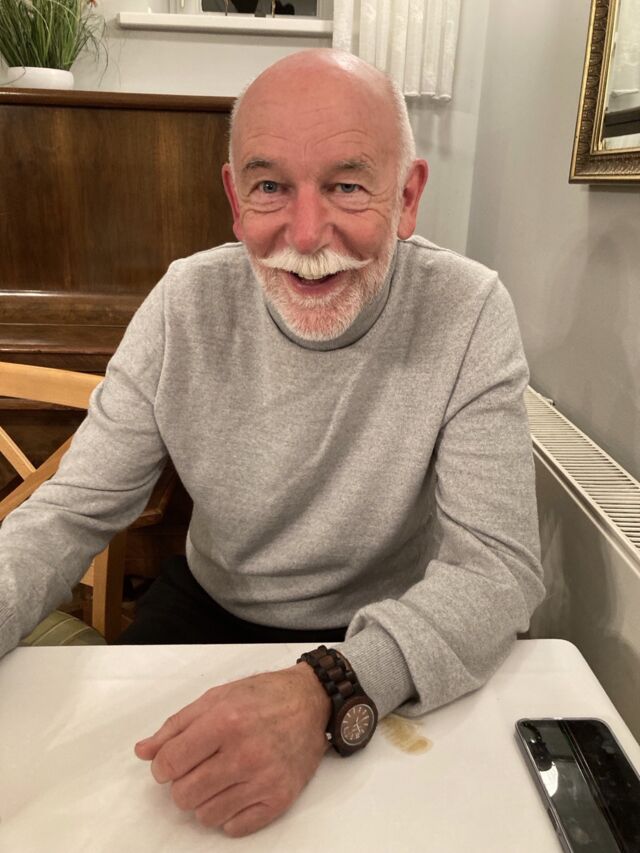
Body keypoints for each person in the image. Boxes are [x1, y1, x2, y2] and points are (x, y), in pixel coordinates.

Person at [0, 49, 544, 836]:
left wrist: (329, 684)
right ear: (235, 198)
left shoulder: (470, 311)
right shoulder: (184, 302)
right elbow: (68, 512)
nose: (307, 233)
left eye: (348, 185)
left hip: (389, 627)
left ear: (407, 196)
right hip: (207, 605)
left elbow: (497, 570)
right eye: (270, 187)